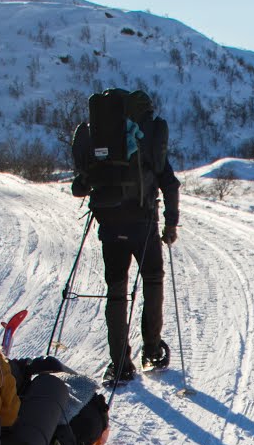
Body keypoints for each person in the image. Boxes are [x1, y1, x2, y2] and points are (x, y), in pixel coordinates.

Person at [70, 89, 180, 385]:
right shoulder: (145, 140)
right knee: (153, 278)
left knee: (116, 291)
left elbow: (78, 188)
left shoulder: (103, 141)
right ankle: (153, 350)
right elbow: (170, 183)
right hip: (142, 223)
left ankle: (119, 364)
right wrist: (171, 224)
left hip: (109, 224)